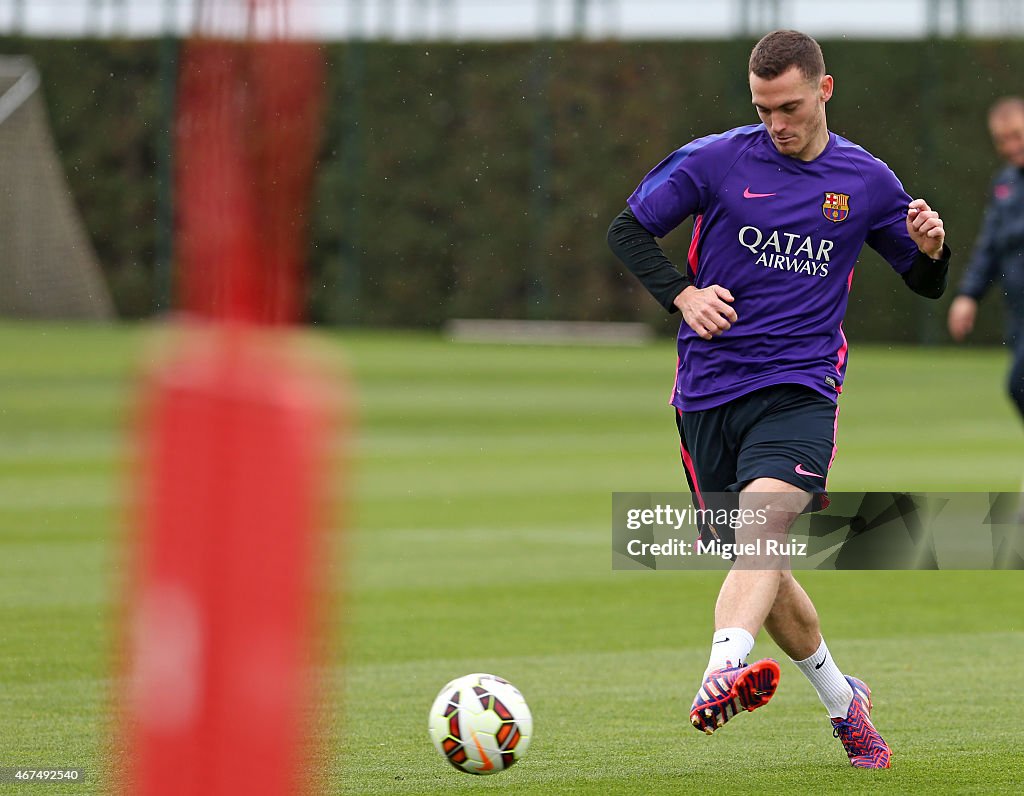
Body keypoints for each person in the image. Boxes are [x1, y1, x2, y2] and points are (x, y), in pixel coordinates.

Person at [607, 30, 950, 769]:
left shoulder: (866, 180)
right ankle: (843, 701)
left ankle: (720, 672)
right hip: (706, 392)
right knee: (762, 564)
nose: (777, 124)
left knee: (764, 529)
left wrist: (932, 251)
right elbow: (628, 229)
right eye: (763, 109)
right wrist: (683, 293)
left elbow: (921, 281)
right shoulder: (716, 158)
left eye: (789, 107)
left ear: (824, 90)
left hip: (801, 387)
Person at [947, 97, 1024, 421]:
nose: (1009, 146)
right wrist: (968, 295)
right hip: (1018, 315)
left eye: (1016, 135)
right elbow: (989, 247)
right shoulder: (1004, 185)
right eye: (1001, 139)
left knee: (1019, 383)